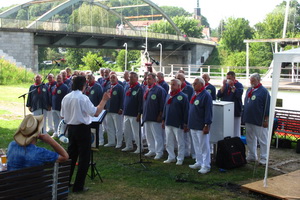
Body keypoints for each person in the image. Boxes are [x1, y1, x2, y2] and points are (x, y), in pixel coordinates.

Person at [60, 75, 110, 193]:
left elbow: (62, 115)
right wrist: (104, 100)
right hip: (82, 129)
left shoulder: (66, 97)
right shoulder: (83, 98)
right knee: (84, 158)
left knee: (71, 156)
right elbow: (96, 112)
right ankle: (78, 186)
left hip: (71, 128)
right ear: (84, 85)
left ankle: (65, 182)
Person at [243, 73, 270, 165]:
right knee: (250, 138)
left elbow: (267, 107)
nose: (251, 82)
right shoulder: (249, 90)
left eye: (253, 80)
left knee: (262, 139)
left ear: (258, 80)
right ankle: (252, 155)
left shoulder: (264, 92)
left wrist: (266, 119)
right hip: (249, 118)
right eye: (250, 80)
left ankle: (264, 158)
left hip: (259, 119)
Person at [188, 77, 213, 174]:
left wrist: (207, 124)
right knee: (196, 145)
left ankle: (206, 165)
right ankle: (199, 161)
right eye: (193, 83)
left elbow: (208, 111)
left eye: (196, 83)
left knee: (204, 146)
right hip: (193, 124)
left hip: (201, 125)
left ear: (202, 85)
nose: (193, 85)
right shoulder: (195, 94)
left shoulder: (206, 95)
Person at [162, 79, 189, 165]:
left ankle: (180, 158)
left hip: (178, 123)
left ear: (178, 86)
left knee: (180, 142)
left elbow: (186, 111)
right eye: (171, 84)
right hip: (168, 122)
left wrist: (185, 123)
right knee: (169, 141)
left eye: (173, 85)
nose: (171, 86)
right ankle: (171, 157)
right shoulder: (169, 95)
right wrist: (163, 119)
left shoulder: (183, 96)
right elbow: (165, 108)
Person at [143, 73, 166, 160]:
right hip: (147, 115)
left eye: (149, 79)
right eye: (146, 79)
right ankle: (151, 149)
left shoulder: (159, 90)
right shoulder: (147, 88)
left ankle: (159, 152)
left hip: (155, 116)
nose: (147, 81)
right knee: (149, 135)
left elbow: (162, 104)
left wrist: (160, 115)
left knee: (157, 135)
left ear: (154, 79)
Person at [217, 71, 243, 137]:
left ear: (234, 78)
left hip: (235, 110)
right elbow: (219, 95)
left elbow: (238, 95)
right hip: (226, 111)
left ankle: (236, 144)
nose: (228, 80)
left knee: (235, 130)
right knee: (226, 129)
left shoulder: (239, 85)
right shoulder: (226, 85)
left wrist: (232, 87)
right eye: (227, 78)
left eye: (230, 78)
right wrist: (223, 85)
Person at [122, 72, 143, 153]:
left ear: (136, 78)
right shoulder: (127, 86)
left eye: (131, 77)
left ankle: (139, 147)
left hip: (134, 114)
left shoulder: (139, 88)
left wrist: (139, 113)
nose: (129, 79)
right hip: (127, 112)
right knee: (126, 130)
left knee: (136, 132)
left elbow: (140, 102)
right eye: (129, 77)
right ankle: (128, 145)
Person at [175, 72, 195, 158]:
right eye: (176, 78)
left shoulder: (189, 89)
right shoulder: (175, 88)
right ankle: (185, 152)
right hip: (178, 114)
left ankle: (193, 153)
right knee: (182, 135)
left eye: (179, 78)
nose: (177, 79)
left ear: (183, 80)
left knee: (190, 135)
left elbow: (192, 102)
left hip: (188, 114)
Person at [104, 74, 124, 148]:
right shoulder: (108, 87)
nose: (112, 79)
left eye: (113, 78)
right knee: (110, 127)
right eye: (111, 78)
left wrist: (121, 108)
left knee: (118, 127)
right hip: (109, 110)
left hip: (117, 111)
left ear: (117, 79)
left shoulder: (120, 87)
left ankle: (119, 143)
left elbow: (122, 99)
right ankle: (111, 142)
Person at [85, 74, 104, 145]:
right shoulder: (87, 86)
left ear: (93, 78)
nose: (88, 80)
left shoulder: (97, 87)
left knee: (98, 125)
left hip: (96, 109)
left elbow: (100, 98)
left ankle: (100, 140)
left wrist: (100, 108)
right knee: (90, 125)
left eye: (90, 78)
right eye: (87, 79)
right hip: (88, 109)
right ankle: (92, 140)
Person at [51, 74, 69, 138]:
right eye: (57, 78)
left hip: (61, 108)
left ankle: (63, 133)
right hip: (54, 107)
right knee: (55, 121)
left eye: (60, 78)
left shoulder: (65, 87)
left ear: (62, 79)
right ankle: (56, 132)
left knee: (62, 122)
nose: (58, 80)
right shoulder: (54, 87)